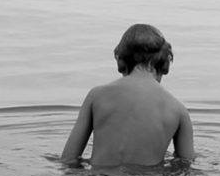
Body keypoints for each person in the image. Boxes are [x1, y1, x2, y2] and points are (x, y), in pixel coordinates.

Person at [61, 23, 195, 167]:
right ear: (165, 64)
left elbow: (68, 160)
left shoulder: (96, 96)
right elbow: (185, 166)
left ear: (121, 61)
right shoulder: (178, 110)